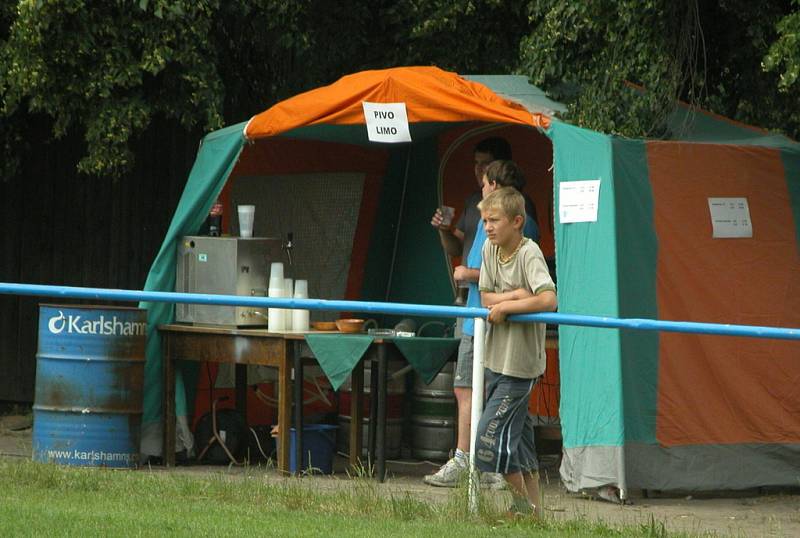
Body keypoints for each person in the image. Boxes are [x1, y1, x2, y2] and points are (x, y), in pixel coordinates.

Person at [425, 159, 540, 488]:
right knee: (469, 389)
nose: (481, 185)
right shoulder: (485, 219)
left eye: (486, 180)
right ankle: (521, 499)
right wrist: (447, 231)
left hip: (497, 328)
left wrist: (470, 277)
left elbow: (533, 288)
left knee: (489, 396)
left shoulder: (520, 225)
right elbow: (479, 267)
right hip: (476, 317)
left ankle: (483, 464)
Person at [475, 187, 557, 516]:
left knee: (487, 437)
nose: (488, 227)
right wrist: (515, 298)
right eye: (484, 221)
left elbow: (549, 299)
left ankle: (522, 506)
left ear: (517, 221)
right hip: (496, 359)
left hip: (521, 366)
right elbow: (485, 299)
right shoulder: (488, 249)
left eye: (494, 220)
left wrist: (508, 304)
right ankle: (535, 514)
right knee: (522, 444)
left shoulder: (529, 252)